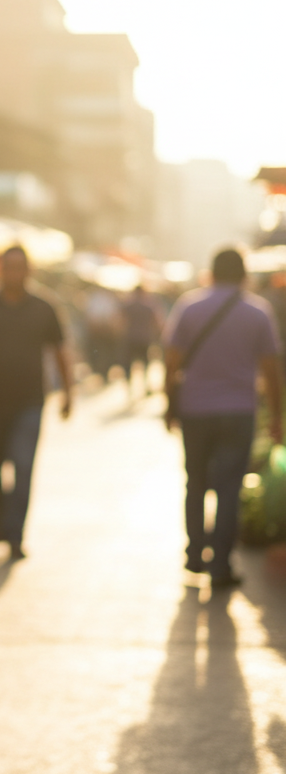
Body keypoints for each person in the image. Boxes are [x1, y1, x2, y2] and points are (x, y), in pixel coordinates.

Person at [163, 247, 282, 588]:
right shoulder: (258, 313)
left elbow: (171, 360)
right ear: (243, 275)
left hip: (195, 410)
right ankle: (221, 566)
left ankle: (195, 552)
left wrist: (169, 403)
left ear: (211, 273)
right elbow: (271, 370)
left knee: (195, 482)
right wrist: (275, 416)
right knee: (230, 489)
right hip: (239, 411)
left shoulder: (190, 307)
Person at [0, 246, 72, 560]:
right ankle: (1, 517)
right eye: (8, 267)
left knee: (23, 466)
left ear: (28, 271)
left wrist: (68, 393)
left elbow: (61, 351)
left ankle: (15, 534)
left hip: (30, 402)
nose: (14, 274)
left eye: (20, 267)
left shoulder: (44, 307)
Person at [121, 283, 163, 395]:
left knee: (129, 364)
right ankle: (145, 386)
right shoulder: (149, 306)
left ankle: (129, 389)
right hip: (144, 338)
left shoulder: (128, 306)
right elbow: (157, 322)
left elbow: (120, 322)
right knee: (145, 363)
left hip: (130, 338)